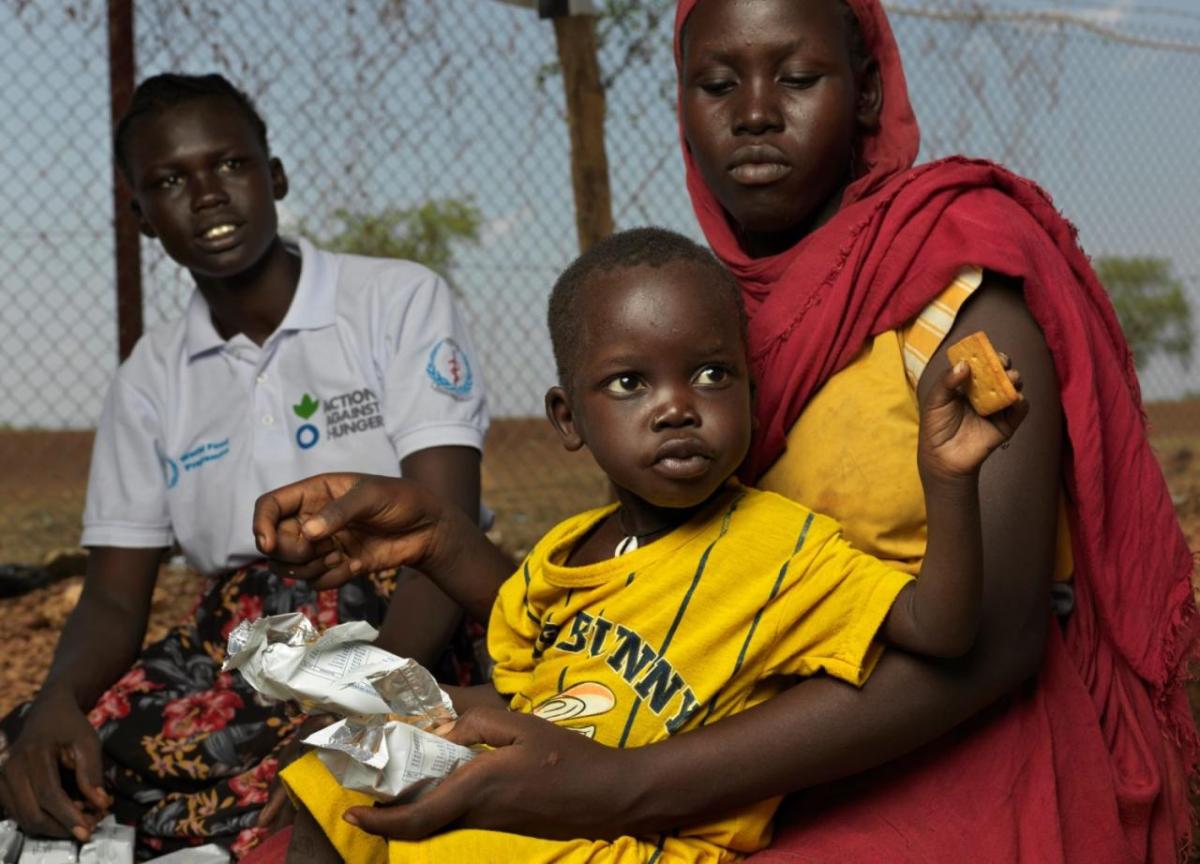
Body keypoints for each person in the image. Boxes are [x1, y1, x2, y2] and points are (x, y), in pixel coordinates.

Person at [250, 2, 1197, 862]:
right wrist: (442, 539)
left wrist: (619, 787)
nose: (753, 112)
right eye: (715, 83)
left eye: (797, 78)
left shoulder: (957, 286)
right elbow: (662, 614)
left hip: (938, 743)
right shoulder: (688, 312)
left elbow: (992, 647)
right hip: (709, 733)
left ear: (865, 90)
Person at [253, 226, 1027, 862]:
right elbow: (526, 679)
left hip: (639, 842)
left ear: (750, 394)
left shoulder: (786, 547)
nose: (677, 408)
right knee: (339, 775)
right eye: (630, 384)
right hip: (541, 795)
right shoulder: (571, 548)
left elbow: (945, 630)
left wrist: (948, 479)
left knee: (457, 846)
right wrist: (395, 708)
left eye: (713, 374)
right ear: (568, 419)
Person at [0, 73, 489, 860]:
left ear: (275, 177)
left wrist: (364, 705)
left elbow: (443, 537)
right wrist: (55, 701)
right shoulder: (150, 375)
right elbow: (114, 600)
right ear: (142, 218)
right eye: (168, 181)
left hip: (398, 623)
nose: (207, 196)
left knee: (335, 760)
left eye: (229, 165)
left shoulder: (394, 301)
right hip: (238, 646)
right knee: (61, 753)